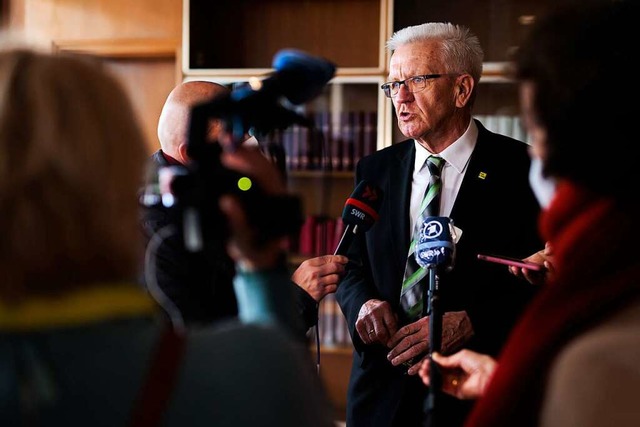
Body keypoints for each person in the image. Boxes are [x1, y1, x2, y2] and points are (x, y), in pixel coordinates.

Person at [0, 45, 335, 427]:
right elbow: (273, 389)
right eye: (235, 141)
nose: (250, 151)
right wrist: (270, 278)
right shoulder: (230, 368)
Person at [419, 1, 640, 426]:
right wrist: (505, 379)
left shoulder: (602, 360)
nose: (534, 152)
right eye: (393, 84)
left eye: (536, 130)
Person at [334, 22, 543, 426]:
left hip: (470, 395)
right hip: (379, 394)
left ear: (462, 89)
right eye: (393, 85)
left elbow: (543, 282)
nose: (401, 97)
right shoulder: (375, 169)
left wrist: (474, 322)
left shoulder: (524, 170)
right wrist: (363, 304)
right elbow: (349, 263)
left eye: (416, 80)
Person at [141, 80, 348, 332]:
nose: (250, 150)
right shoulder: (160, 233)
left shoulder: (206, 197)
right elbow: (215, 352)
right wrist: (295, 297)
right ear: (192, 154)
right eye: (234, 142)